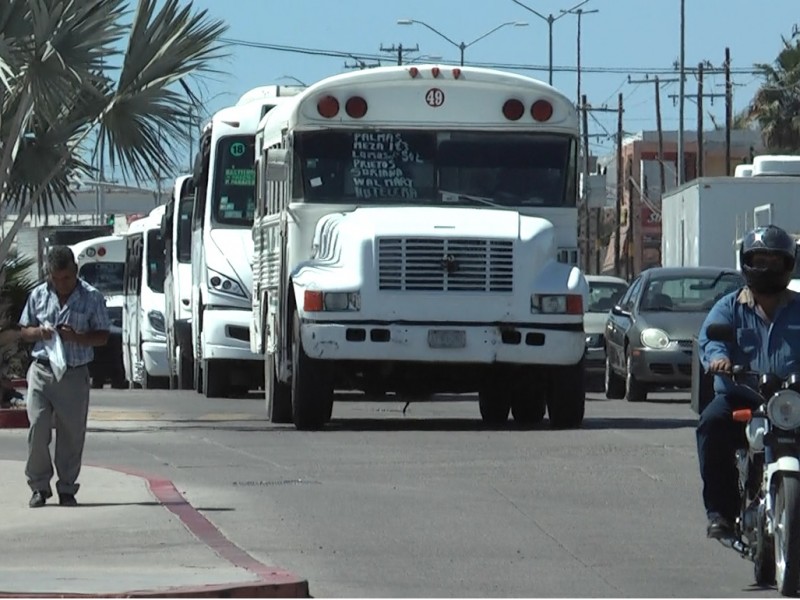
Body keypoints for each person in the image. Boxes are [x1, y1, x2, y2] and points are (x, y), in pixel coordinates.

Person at [697, 224, 800, 539]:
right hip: (741, 396)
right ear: (746, 263)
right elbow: (710, 338)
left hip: (791, 399)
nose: (767, 268)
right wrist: (719, 359)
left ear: (788, 264)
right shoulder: (729, 307)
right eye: (760, 260)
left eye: (775, 261)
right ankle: (721, 513)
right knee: (711, 425)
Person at [17, 246, 110, 508]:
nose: (61, 284)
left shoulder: (91, 297)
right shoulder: (39, 294)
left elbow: (102, 336)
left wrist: (76, 337)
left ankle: (67, 487)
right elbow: (24, 330)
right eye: (55, 279)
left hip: (74, 373)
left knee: (71, 434)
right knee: (37, 427)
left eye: (66, 278)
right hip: (42, 371)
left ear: (75, 272)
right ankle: (38, 486)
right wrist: (39, 333)